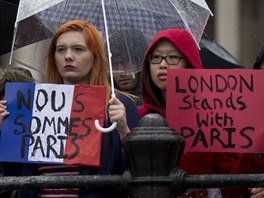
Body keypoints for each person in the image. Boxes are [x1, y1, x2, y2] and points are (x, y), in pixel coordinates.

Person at [0, 19, 139, 197]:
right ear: (54, 58)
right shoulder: (34, 103)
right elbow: (14, 175)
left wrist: (123, 131)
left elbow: (136, 173)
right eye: (61, 50)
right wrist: (6, 131)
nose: (68, 56)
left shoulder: (118, 104)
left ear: (95, 56)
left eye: (78, 49)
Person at [137, 28, 244, 197]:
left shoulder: (212, 117)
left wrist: (256, 150)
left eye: (172, 57)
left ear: (189, 63)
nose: (162, 64)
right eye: (156, 57)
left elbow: (234, 186)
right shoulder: (138, 117)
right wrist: (122, 131)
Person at [109, 30, 149, 107]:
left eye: (126, 63)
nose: (120, 72)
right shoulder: (105, 103)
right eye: (114, 65)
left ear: (140, 62)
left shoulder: (157, 101)